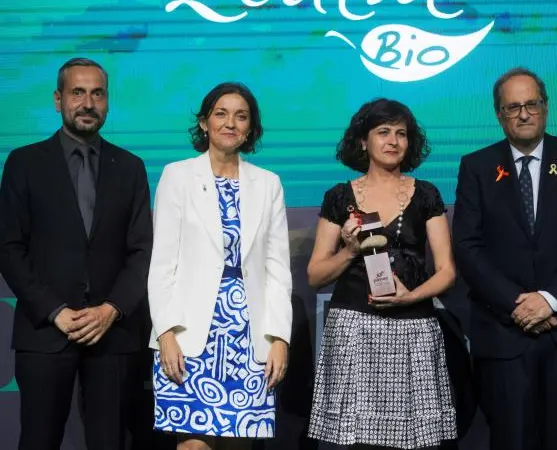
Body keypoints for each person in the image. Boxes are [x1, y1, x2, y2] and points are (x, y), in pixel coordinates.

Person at [451, 67, 557, 450]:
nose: (523, 114)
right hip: (504, 333)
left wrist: (550, 299)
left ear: (546, 107)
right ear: (498, 114)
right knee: (511, 439)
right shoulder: (476, 166)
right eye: (512, 107)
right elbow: (468, 247)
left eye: (531, 104)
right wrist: (519, 305)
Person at [0, 57, 153, 450]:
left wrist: (110, 309)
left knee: (111, 442)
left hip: (113, 334)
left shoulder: (131, 167)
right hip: (45, 331)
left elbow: (142, 250)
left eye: (97, 93)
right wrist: (55, 311)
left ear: (107, 102)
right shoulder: (23, 163)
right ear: (58, 100)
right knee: (38, 440)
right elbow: (9, 246)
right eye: (77, 92)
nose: (88, 102)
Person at [147, 82, 292, 450]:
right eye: (221, 113)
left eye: (240, 116)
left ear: (250, 128)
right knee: (193, 444)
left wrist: (279, 339)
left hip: (249, 334)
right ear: (204, 122)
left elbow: (277, 272)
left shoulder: (269, 184)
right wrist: (166, 332)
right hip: (189, 333)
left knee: (240, 443)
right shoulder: (177, 176)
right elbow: (163, 263)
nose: (230, 123)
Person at [307, 98, 457, 449]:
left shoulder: (426, 194)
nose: (393, 141)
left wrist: (413, 296)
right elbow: (315, 274)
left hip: (414, 329)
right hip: (354, 330)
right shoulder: (340, 197)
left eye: (401, 134)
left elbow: (447, 270)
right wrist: (350, 251)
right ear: (363, 140)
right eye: (383, 132)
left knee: (415, 441)